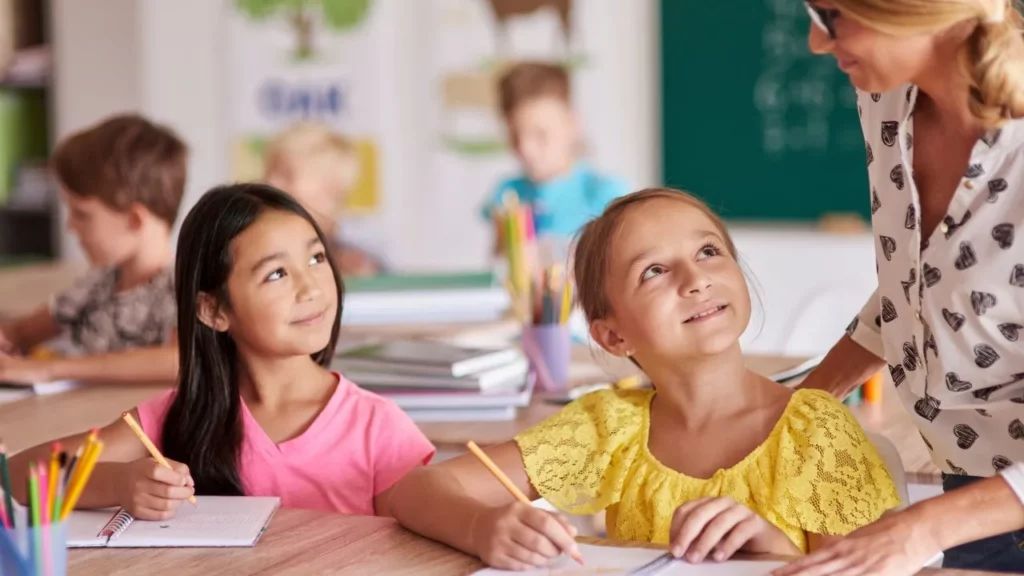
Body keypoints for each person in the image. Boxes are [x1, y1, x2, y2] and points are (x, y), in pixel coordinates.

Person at [391, 188, 899, 571]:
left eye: (708, 252)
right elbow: (416, 490)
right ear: (613, 336)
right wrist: (483, 526)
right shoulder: (607, 428)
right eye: (654, 271)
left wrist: (773, 553)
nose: (695, 278)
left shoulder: (817, 433)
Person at [8, 183, 434, 519]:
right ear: (212, 310)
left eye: (318, 258)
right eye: (277, 273)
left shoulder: (378, 428)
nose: (311, 287)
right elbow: (19, 474)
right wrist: (116, 484)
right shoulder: (179, 414)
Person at [776, 2, 1024, 575]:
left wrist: (921, 528)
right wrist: (805, 406)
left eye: (832, 15)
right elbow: (918, 284)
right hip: (971, 498)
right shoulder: (885, 100)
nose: (816, 42)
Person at [0, 114, 185, 385]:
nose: (70, 227)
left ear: (135, 219)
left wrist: (53, 369)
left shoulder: (181, 288)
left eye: (82, 214)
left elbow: (180, 361)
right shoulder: (98, 283)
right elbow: (21, 332)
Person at [480, 61, 628, 257]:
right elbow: (499, 268)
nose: (526, 149)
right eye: (515, 135)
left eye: (540, 134)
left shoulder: (607, 197)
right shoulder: (507, 194)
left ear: (572, 123)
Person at [264, 122, 387, 277]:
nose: (270, 183)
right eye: (269, 171)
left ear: (331, 188)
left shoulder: (363, 263)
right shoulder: (247, 250)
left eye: (286, 175)